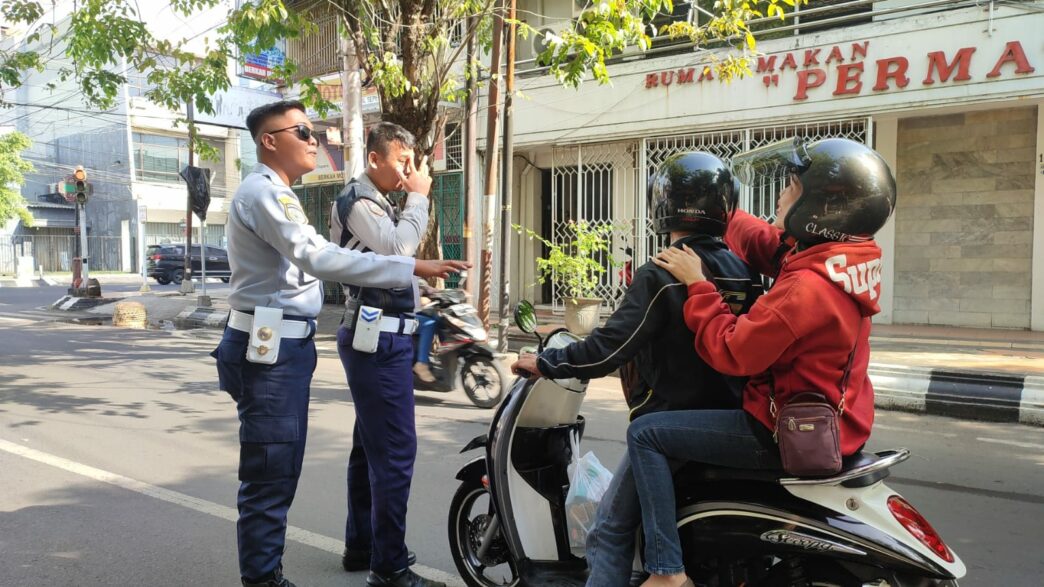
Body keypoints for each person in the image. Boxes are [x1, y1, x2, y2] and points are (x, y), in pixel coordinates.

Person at [212, 101, 467, 587]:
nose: (314, 140)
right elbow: (320, 258)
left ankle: (358, 552)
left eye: (313, 132)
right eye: (303, 131)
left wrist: (412, 275)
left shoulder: (279, 194)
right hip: (272, 346)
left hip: (285, 344)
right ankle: (270, 579)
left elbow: (327, 254)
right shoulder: (266, 193)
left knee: (314, 460)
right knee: (272, 471)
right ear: (269, 140)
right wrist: (410, 264)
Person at [632, 137, 897, 587]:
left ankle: (666, 571)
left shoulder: (805, 290)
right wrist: (717, 207)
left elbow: (732, 351)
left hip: (783, 430)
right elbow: (768, 244)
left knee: (646, 434)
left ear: (820, 208)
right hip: (839, 420)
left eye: (790, 188)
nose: (780, 196)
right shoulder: (843, 259)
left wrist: (698, 284)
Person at [511, 152, 763, 587]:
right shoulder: (748, 273)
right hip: (728, 420)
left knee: (608, 530)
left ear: (664, 204)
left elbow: (610, 349)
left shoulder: (662, 273)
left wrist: (547, 362)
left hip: (668, 426)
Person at [328, 122, 446, 587]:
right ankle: (389, 567)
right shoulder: (358, 200)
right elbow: (398, 247)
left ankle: (364, 546)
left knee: (370, 449)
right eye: (402, 161)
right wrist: (419, 197)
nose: (408, 170)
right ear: (374, 158)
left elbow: (386, 265)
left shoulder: (375, 200)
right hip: (377, 340)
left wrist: (419, 287)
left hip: (380, 336)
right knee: (396, 451)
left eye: (412, 162)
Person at [413, 281, 439, 383]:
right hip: (400, 314)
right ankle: (422, 363)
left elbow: (427, 288)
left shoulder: (418, 278)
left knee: (438, 318)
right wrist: (424, 289)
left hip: (413, 311)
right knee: (428, 324)